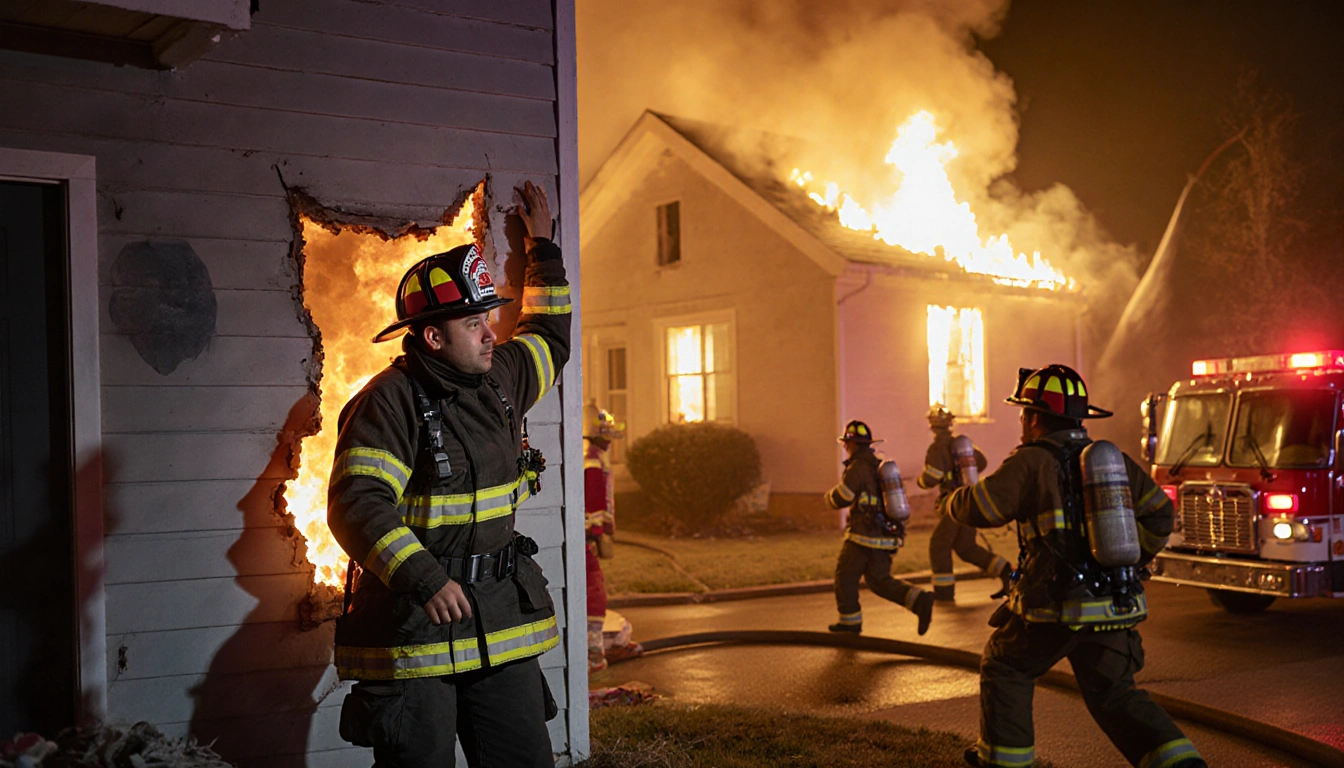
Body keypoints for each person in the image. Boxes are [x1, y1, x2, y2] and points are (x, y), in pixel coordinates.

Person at [328, 182, 570, 768]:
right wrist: (426, 579)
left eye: (489, 319)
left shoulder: (500, 378)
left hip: (500, 621)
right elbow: (358, 503)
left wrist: (543, 250)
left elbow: (548, 337)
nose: (492, 334)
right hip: (416, 630)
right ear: (433, 336)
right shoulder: (387, 402)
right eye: (474, 324)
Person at [944, 365, 1205, 768]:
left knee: (1005, 665)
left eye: (1023, 414)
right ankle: (1182, 764)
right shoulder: (1113, 461)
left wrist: (950, 499)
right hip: (1113, 603)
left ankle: (1004, 763)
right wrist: (1129, 561)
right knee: (1115, 693)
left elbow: (983, 508)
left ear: (1034, 418)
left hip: (1056, 606)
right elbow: (1161, 515)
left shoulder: (1031, 461)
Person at [825, 420, 934, 636]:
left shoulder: (857, 468)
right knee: (879, 581)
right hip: (885, 535)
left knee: (845, 575)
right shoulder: (878, 465)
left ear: (853, 444)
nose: (845, 447)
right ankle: (919, 600)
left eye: (847, 443)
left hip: (863, 536)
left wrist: (828, 498)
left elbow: (843, 498)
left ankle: (849, 623)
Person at [918, 404, 1011, 602]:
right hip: (969, 500)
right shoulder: (961, 445)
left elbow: (932, 477)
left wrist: (920, 482)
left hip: (954, 504)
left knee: (939, 544)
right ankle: (1007, 572)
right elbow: (982, 462)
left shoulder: (937, 449)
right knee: (965, 547)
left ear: (932, 426)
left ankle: (944, 592)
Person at [582, 401, 642, 673]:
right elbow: (594, 501)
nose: (610, 440)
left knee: (592, 590)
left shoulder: (594, 456)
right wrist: (597, 534)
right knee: (594, 592)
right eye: (607, 434)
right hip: (587, 538)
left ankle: (596, 648)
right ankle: (592, 654)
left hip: (587, 537)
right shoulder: (593, 460)